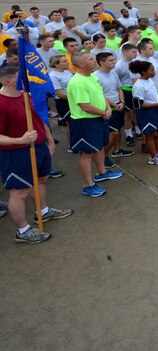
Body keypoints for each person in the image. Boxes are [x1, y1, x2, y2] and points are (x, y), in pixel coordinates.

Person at [0, 66, 71, 244]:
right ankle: (22, 230)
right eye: (20, 78)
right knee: (19, 192)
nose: (25, 81)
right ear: (6, 82)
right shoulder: (1, 104)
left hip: (38, 147)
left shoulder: (26, 96)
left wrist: (48, 138)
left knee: (41, 180)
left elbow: (38, 119)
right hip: (16, 153)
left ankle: (43, 211)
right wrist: (19, 140)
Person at [67, 52, 123, 197]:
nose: (95, 61)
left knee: (99, 147)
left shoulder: (92, 76)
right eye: (91, 59)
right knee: (87, 153)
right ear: (82, 64)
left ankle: (102, 172)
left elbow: (101, 94)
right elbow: (84, 105)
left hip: (98, 117)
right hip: (85, 122)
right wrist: (103, 112)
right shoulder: (78, 82)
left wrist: (108, 107)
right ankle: (88, 184)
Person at [129, 60, 158, 165]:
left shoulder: (149, 81)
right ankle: (153, 157)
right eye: (151, 70)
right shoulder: (138, 86)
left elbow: (151, 97)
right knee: (151, 135)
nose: (154, 72)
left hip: (157, 110)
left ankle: (156, 152)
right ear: (143, 72)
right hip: (146, 114)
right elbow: (139, 105)